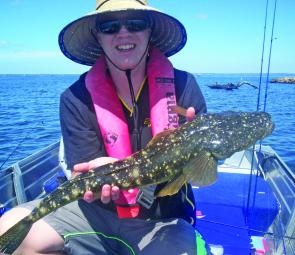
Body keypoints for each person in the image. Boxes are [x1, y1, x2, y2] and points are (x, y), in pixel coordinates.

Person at [0, 0, 208, 254]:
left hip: (162, 219)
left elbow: (202, 176)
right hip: (95, 214)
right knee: (9, 228)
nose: (123, 32)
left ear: (150, 31)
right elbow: (81, 171)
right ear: (97, 36)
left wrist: (196, 150)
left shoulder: (183, 86)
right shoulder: (74, 98)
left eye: (135, 23)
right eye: (109, 26)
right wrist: (88, 178)